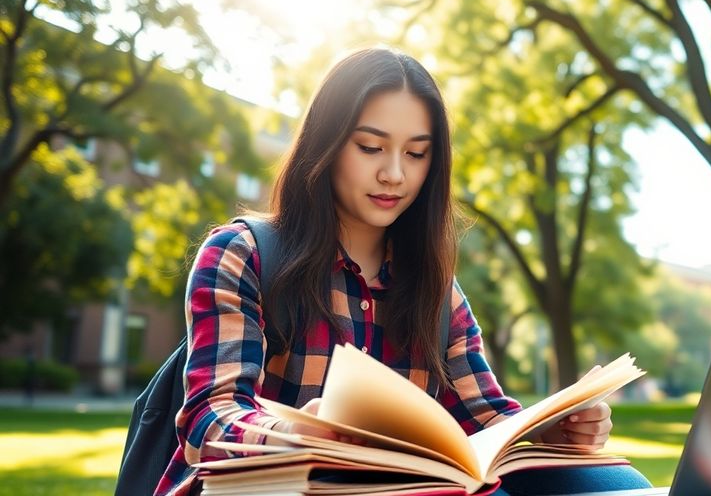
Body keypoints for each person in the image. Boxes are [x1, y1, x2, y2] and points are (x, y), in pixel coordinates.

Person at [155, 48, 650, 496]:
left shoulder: (437, 290)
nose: (395, 173)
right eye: (371, 147)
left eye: (416, 153)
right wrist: (292, 434)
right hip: (275, 485)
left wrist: (549, 429)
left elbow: (486, 418)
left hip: (402, 488)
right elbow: (208, 420)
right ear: (326, 145)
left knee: (615, 484)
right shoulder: (243, 253)